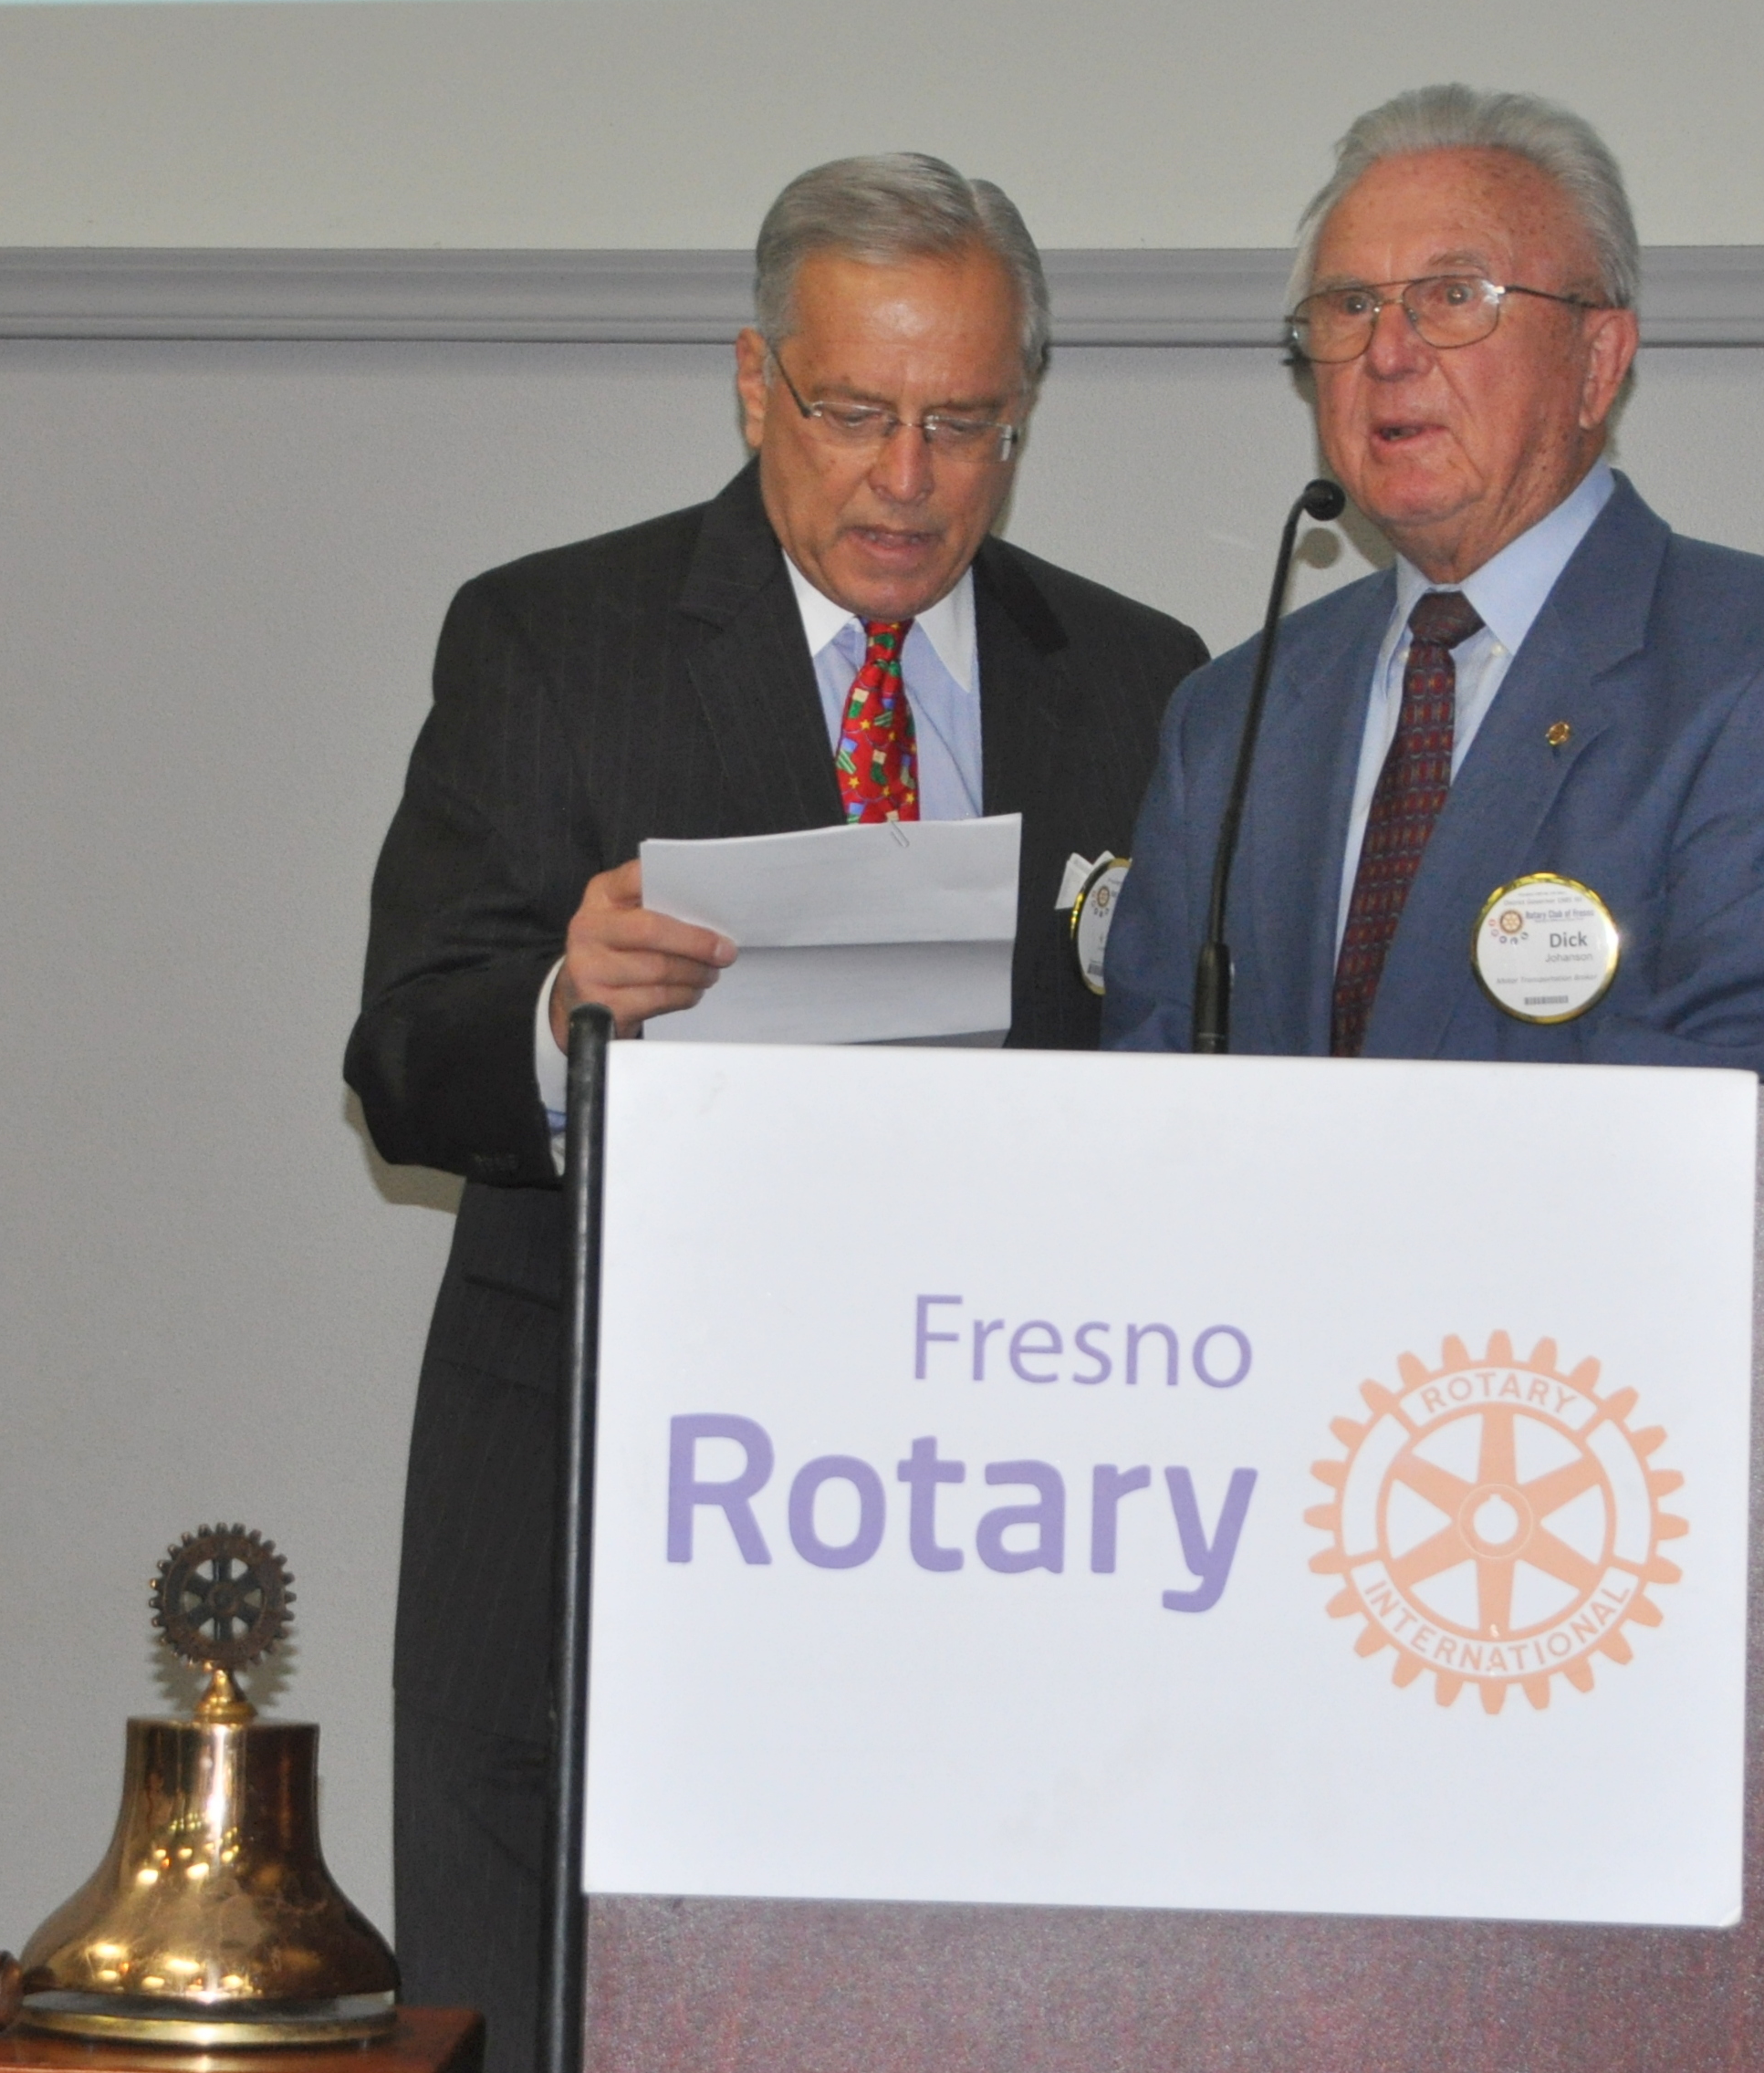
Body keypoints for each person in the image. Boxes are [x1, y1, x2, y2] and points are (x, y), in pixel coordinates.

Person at [1100, 87, 1764, 2071]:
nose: (1384, 352)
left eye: (1451, 296)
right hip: (1313, 1640)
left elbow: (1736, 1123)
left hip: (1685, 1612)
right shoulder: (1234, 707)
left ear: (1600, 356)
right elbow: (1148, 1109)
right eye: (1342, 310)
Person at [346, 153, 1208, 2073]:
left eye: (962, 424)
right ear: (755, 388)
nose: (907, 477)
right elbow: (402, 1054)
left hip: (1003, 1527)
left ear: (1021, 415)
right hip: (598, 1523)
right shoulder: (552, 641)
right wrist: (561, 1010)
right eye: (853, 413)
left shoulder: (1142, 682)